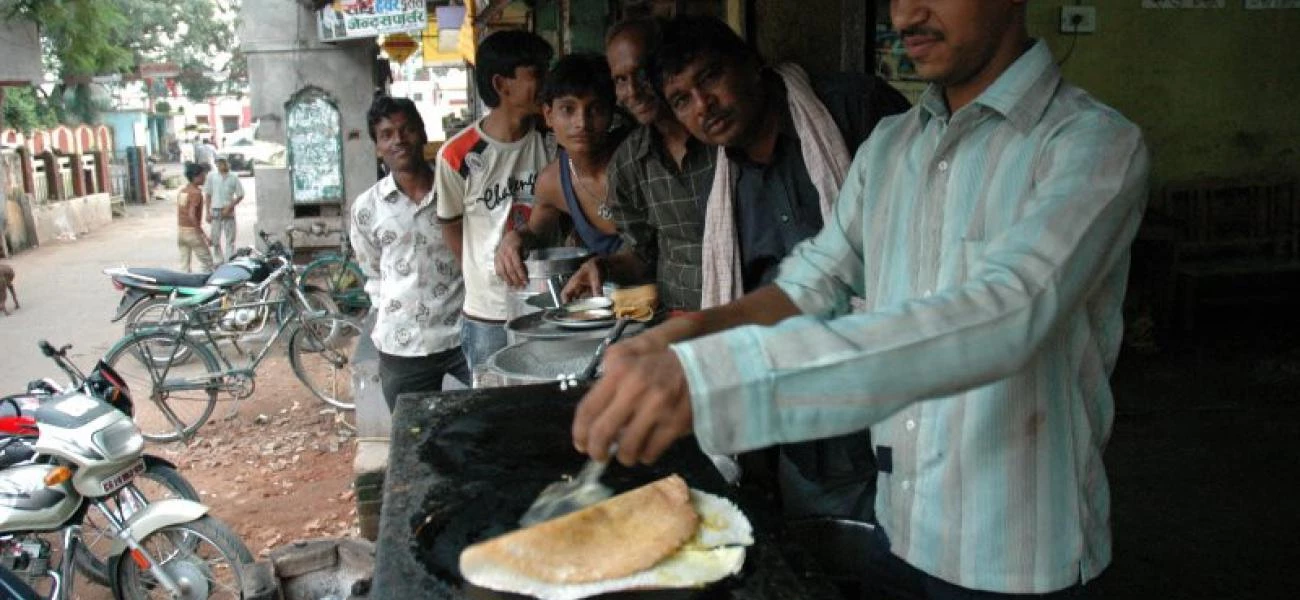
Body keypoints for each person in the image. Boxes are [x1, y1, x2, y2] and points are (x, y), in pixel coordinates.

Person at [572, 0, 1150, 597]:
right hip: (900, 518)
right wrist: (683, 337)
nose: (904, 18)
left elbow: (1005, 317)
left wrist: (722, 378)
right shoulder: (893, 146)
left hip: (1015, 547)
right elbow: (812, 282)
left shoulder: (1091, 145)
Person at [561, 18, 716, 313]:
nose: (632, 91)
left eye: (642, 72)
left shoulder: (720, 141)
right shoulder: (630, 163)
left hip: (750, 316)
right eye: (620, 80)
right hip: (680, 323)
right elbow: (641, 252)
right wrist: (603, 266)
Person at [436, 30, 553, 373]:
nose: (547, 84)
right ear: (502, 85)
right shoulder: (458, 155)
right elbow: (451, 227)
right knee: (494, 412)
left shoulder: (554, 141)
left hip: (547, 305)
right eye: (537, 74)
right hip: (487, 317)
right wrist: (484, 276)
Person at [352, 96, 470, 412]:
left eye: (407, 130)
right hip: (401, 344)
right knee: (414, 434)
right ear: (377, 146)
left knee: (487, 421)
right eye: (387, 134)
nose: (399, 141)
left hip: (464, 334)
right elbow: (373, 270)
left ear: (422, 133)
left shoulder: (457, 190)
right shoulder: (366, 208)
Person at [494, 53, 627, 289]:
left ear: (610, 113)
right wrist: (514, 239)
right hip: (606, 311)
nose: (581, 123)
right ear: (548, 116)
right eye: (568, 109)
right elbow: (535, 231)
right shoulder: (552, 182)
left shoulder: (634, 161)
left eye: (594, 109)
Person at [203, 157, 245, 261]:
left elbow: (240, 194)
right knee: (215, 238)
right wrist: (207, 212)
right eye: (218, 163)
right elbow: (208, 194)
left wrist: (230, 206)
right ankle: (219, 260)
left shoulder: (233, 177)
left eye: (223, 163)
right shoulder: (212, 176)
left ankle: (229, 259)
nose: (221, 165)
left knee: (230, 238)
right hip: (215, 209)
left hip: (228, 209)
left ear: (227, 163)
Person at [176, 162, 213, 273]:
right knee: (207, 261)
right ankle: (202, 284)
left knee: (184, 264)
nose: (204, 178)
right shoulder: (196, 193)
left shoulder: (183, 191)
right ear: (195, 177)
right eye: (202, 175)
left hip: (181, 231)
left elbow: (183, 212)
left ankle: (183, 285)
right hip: (192, 232)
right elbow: (192, 215)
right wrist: (204, 235)